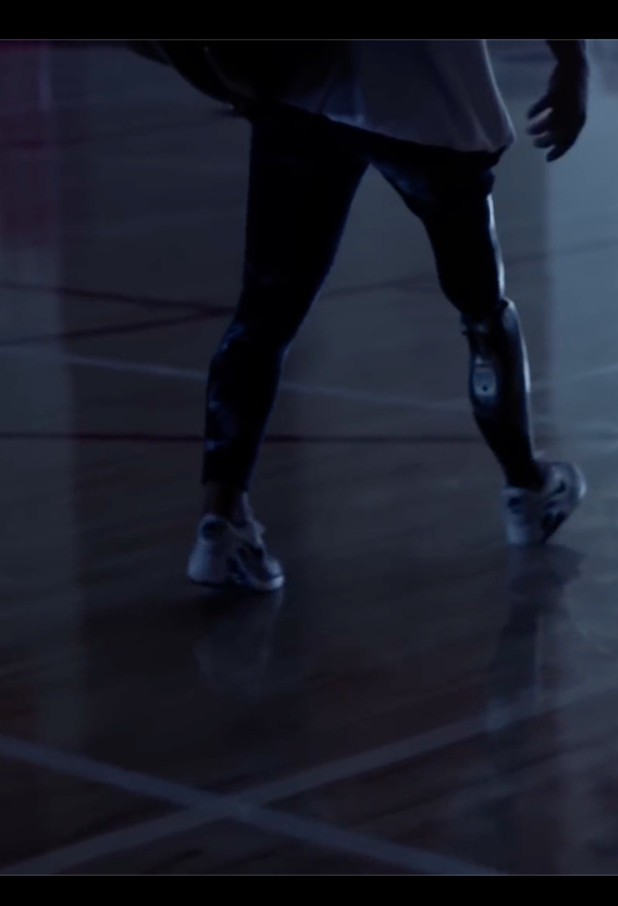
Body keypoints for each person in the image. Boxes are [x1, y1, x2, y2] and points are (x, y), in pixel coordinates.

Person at [188, 40, 591, 593]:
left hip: (303, 94)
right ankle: (527, 490)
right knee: (482, 312)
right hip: (430, 101)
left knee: (261, 320)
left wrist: (217, 69)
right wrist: (572, 60)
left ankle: (221, 521)